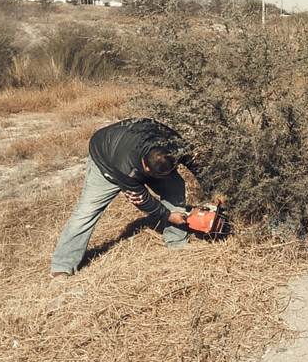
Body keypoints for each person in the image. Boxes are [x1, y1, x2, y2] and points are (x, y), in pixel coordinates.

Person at [50, 118, 201, 277]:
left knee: (175, 186)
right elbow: (142, 200)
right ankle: (62, 265)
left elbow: (195, 162)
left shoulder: (172, 145)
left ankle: (177, 242)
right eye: (153, 175)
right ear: (145, 165)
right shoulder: (124, 166)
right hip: (106, 160)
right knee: (87, 212)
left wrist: (216, 191)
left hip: (133, 146)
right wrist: (168, 215)